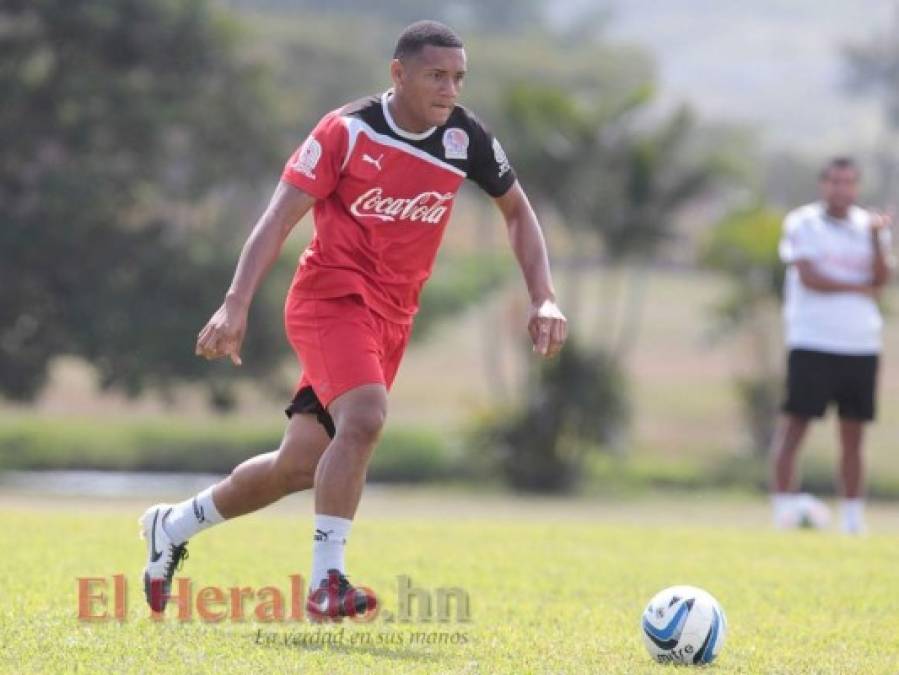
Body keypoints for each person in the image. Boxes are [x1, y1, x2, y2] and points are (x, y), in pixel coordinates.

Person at [139, 20, 568, 617]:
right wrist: (235, 302)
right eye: (436, 76)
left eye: (459, 78)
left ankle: (174, 524)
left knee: (299, 467)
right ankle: (327, 583)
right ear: (398, 74)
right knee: (365, 417)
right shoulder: (347, 131)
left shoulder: (465, 139)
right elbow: (278, 218)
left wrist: (542, 294)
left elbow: (518, 213)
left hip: (391, 319)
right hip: (328, 300)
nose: (450, 90)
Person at [771, 157, 892, 534]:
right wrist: (857, 288)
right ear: (823, 184)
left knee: (854, 435)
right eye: (835, 182)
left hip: (859, 344)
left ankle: (853, 520)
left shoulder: (869, 227)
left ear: (856, 187)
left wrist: (875, 238)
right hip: (812, 340)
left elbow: (882, 278)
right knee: (795, 428)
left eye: (849, 183)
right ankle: (784, 511)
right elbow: (810, 277)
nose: (842, 189)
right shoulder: (803, 222)